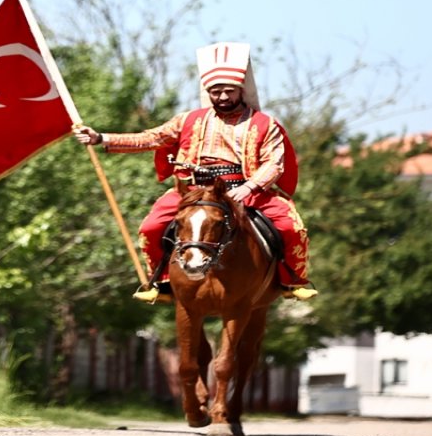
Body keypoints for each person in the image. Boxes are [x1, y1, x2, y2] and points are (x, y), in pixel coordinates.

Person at [73, 42, 318, 303]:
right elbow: (151, 138)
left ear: (240, 90)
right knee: (151, 227)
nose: (223, 97)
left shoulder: (264, 124)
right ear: (208, 92)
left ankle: (293, 281)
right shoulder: (188, 119)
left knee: (292, 228)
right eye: (216, 91)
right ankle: (163, 282)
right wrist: (101, 137)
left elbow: (274, 163)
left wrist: (248, 188)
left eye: (228, 91)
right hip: (193, 191)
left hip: (246, 189)